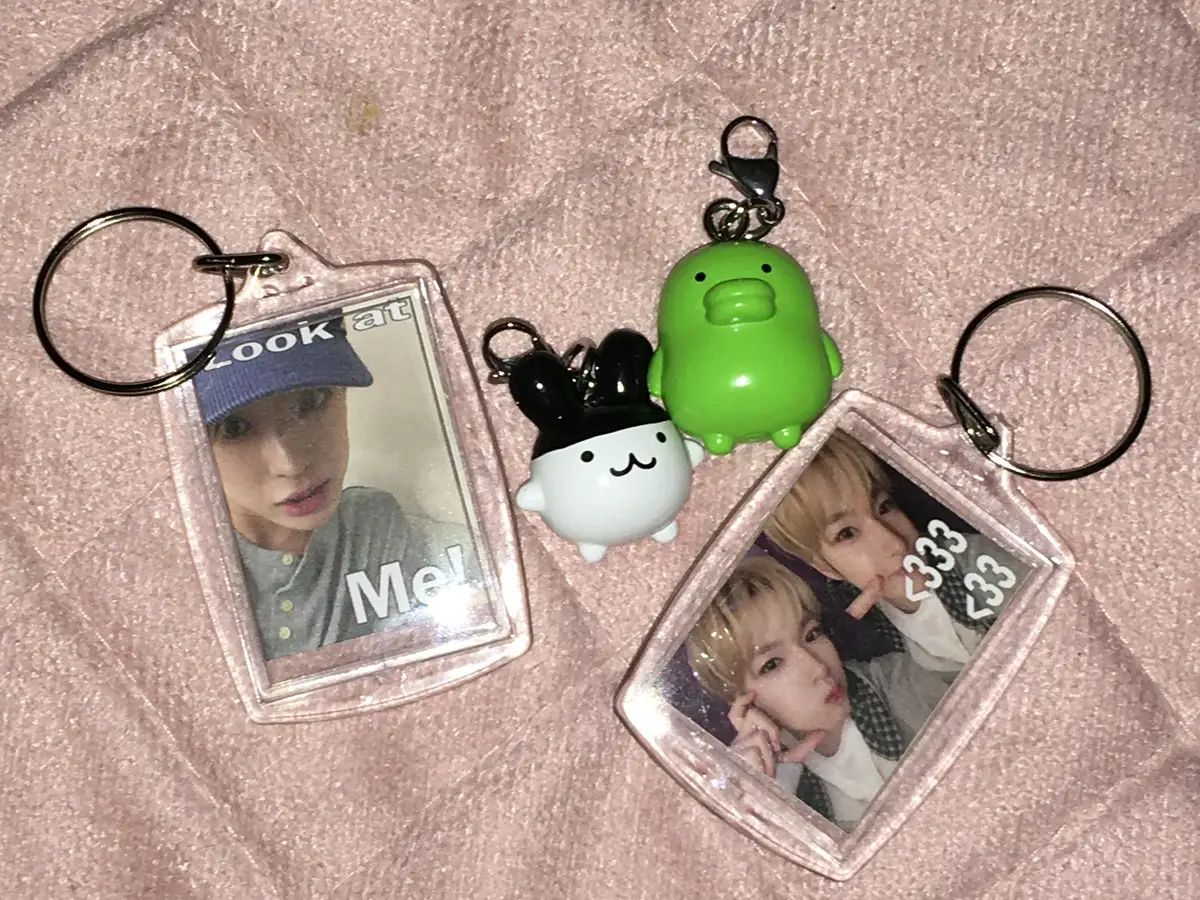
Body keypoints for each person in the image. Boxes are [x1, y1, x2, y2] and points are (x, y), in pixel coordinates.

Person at [193, 313, 479, 661]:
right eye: (234, 428)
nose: (291, 464)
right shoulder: (187, 570)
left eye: (310, 401)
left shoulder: (374, 525)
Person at [685, 555, 954, 831]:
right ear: (740, 702)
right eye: (773, 664)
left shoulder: (899, 682)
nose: (818, 667)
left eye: (812, 634)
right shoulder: (770, 783)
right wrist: (772, 790)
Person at [762, 431, 1028, 674]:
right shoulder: (871, 639)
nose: (895, 543)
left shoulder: (981, 562)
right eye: (847, 533)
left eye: (884, 507)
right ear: (824, 567)